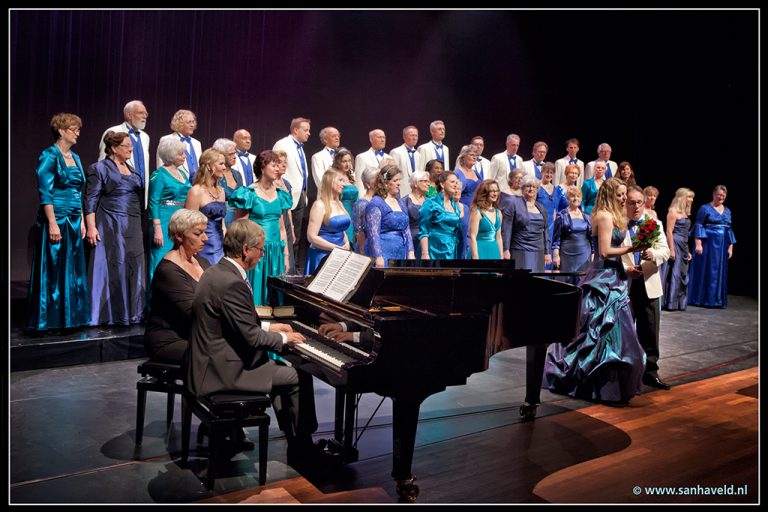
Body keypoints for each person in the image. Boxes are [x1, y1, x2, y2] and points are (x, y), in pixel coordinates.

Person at [185, 219, 325, 466]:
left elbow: (235, 324)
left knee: (282, 373)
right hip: (223, 371)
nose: (262, 254)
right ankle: (302, 446)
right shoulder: (232, 283)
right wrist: (285, 338)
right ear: (246, 250)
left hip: (211, 361)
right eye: (260, 249)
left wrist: (271, 327)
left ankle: (296, 441)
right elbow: (251, 337)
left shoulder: (217, 272)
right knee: (299, 375)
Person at [543, 178, 647, 404]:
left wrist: (628, 268)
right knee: (597, 330)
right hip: (603, 278)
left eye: (624, 195)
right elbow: (605, 251)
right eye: (619, 195)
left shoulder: (616, 216)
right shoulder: (604, 215)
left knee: (617, 331)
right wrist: (633, 248)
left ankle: (614, 385)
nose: (623, 199)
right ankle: (592, 383)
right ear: (609, 194)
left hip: (616, 277)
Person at [27, 113, 90, 331]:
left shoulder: (76, 157)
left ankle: (71, 318)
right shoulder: (49, 155)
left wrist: (81, 220)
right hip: (57, 216)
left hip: (73, 218)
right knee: (54, 267)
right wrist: (52, 223)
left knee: (72, 269)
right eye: (74, 129)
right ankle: (50, 320)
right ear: (62, 130)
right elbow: (45, 192)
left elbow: (77, 191)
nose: (78, 133)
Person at [85, 131, 146, 326]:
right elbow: (90, 200)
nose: (131, 149)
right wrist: (91, 227)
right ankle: (111, 314)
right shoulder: (100, 168)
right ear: (113, 148)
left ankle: (133, 312)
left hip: (134, 223)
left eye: (131, 145)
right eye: (126, 145)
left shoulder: (132, 169)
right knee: (116, 264)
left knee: (134, 265)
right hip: (112, 222)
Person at [144, 209, 210, 363]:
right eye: (198, 233)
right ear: (179, 236)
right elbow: (193, 314)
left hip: (196, 334)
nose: (205, 238)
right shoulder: (168, 271)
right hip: (170, 340)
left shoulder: (203, 262)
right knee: (221, 354)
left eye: (204, 233)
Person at [622, 186, 671, 390]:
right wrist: (626, 269)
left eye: (639, 202)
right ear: (625, 204)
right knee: (624, 331)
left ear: (644, 203)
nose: (635, 206)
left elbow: (665, 251)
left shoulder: (654, 224)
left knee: (650, 330)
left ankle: (650, 372)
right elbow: (610, 254)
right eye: (631, 202)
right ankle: (624, 373)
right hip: (625, 284)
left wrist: (654, 255)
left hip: (648, 282)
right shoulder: (619, 225)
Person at [231, 150, 290, 305]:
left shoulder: (280, 194)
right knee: (256, 294)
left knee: (275, 296)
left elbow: (282, 228)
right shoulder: (249, 193)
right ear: (262, 168)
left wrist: (286, 255)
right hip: (256, 250)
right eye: (274, 165)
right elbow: (240, 226)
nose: (278, 168)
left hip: (275, 252)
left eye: (279, 165)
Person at [147, 137, 191, 286]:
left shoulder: (183, 174)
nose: (184, 156)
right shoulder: (159, 174)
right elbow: (153, 201)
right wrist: (157, 228)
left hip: (179, 221)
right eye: (180, 154)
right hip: (164, 220)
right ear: (171, 155)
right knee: (160, 259)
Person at [688, 185, 736, 308]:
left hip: (722, 246)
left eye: (724, 195)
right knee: (707, 269)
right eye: (719, 194)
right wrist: (698, 243)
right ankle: (702, 299)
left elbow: (729, 229)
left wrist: (730, 247)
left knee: (718, 272)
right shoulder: (705, 208)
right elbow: (698, 225)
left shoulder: (727, 210)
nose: (721, 197)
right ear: (714, 194)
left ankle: (717, 300)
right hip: (708, 243)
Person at [273, 117, 311, 267]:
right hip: (286, 195)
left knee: (297, 236)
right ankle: (285, 267)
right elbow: (275, 167)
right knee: (287, 235)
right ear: (296, 130)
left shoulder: (299, 147)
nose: (309, 133)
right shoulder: (283, 144)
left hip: (300, 195)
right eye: (306, 130)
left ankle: (293, 268)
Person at [98, 100, 151, 207]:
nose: (144, 116)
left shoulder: (145, 137)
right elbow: (102, 164)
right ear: (129, 115)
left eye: (146, 114)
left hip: (140, 192)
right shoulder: (113, 131)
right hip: (119, 192)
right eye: (141, 113)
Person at [364, 165, 414, 267]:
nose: (399, 183)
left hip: (401, 251)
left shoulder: (400, 203)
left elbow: (407, 230)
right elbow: (373, 233)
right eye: (395, 181)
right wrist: (378, 256)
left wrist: (411, 252)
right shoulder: (376, 203)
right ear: (386, 183)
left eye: (399, 180)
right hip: (384, 251)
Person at [184, 148, 227, 265]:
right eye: (221, 164)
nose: (224, 168)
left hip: (220, 247)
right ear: (209, 166)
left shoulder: (221, 191)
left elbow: (222, 224)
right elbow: (188, 226)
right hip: (202, 248)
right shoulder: (196, 191)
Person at [305, 169, 351, 274]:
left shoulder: (339, 204)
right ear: (330, 181)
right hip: (322, 256)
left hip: (340, 255)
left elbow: (341, 229)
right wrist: (335, 248)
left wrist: (347, 242)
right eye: (340, 180)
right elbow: (311, 236)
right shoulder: (319, 205)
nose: (343, 184)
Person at [500, 176, 551, 269]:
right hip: (520, 249)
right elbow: (506, 228)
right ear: (522, 188)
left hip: (538, 251)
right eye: (528, 186)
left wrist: (547, 252)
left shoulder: (541, 207)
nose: (531, 189)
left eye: (534, 186)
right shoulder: (513, 204)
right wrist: (505, 249)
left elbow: (546, 231)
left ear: (537, 189)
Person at [663, 188, 695, 311]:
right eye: (689, 197)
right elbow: (669, 232)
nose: (691, 200)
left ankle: (679, 303)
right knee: (675, 273)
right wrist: (671, 249)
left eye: (692, 197)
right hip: (675, 242)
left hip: (684, 244)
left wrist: (687, 251)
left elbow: (686, 233)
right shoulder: (673, 211)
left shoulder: (685, 213)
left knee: (682, 273)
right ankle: (671, 303)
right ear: (682, 198)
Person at [419, 172, 463, 260]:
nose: (455, 185)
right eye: (452, 182)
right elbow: (423, 230)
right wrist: (425, 253)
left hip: (452, 247)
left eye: (456, 182)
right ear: (442, 184)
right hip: (435, 248)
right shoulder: (431, 203)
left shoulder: (455, 206)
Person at [552, 186, 592, 282]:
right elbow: (556, 239)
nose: (576, 199)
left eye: (578, 196)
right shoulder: (561, 215)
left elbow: (591, 237)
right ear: (567, 198)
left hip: (585, 254)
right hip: (567, 255)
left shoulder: (586, 217)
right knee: (567, 282)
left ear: (581, 199)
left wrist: (594, 253)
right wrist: (556, 256)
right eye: (572, 196)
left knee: (583, 281)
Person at [157, 109, 201, 183]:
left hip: (196, 187)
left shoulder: (197, 143)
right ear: (179, 123)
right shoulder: (167, 139)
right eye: (189, 122)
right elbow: (161, 167)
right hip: (177, 185)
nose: (192, 125)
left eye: (193, 122)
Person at [274, 149, 297, 274]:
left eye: (285, 162)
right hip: (276, 220)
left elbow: (288, 209)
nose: (283, 165)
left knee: (289, 255)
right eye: (279, 162)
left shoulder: (286, 184)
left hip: (286, 222)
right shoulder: (271, 183)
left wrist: (292, 228)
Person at [212, 138, 244, 228]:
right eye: (230, 154)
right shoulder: (214, 175)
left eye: (235, 153)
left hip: (238, 221)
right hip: (220, 220)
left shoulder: (237, 175)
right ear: (220, 155)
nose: (235, 156)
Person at [468, 180, 503, 259]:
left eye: (496, 191)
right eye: (491, 191)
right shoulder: (477, 212)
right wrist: (475, 258)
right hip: (480, 250)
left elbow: (499, 237)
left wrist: (501, 258)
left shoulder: (499, 213)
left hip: (494, 251)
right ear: (484, 193)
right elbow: (472, 236)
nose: (495, 194)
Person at [401, 170, 430, 259]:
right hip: (412, 241)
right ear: (416, 184)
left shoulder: (429, 201)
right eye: (424, 181)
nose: (428, 184)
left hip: (428, 241)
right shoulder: (404, 201)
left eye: (428, 181)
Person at [389, 125, 423, 196]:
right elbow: (392, 175)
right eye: (412, 135)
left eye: (416, 136)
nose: (414, 138)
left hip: (416, 192)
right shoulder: (396, 152)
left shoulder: (418, 155)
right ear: (404, 137)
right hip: (401, 191)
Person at [352, 166, 379, 253]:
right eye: (377, 180)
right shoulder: (362, 204)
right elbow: (360, 232)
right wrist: (362, 252)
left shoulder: (380, 200)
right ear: (368, 184)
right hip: (367, 247)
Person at [354, 129, 390, 194]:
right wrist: (363, 199)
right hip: (370, 195)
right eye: (379, 137)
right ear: (371, 139)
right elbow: (359, 181)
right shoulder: (362, 157)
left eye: (384, 137)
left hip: (387, 195)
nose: (382, 140)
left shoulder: (389, 157)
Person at [310, 126, 341, 191]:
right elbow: (320, 181)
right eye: (333, 136)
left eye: (338, 136)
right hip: (328, 195)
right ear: (325, 140)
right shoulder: (317, 157)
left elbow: (351, 174)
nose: (337, 138)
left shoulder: (344, 154)